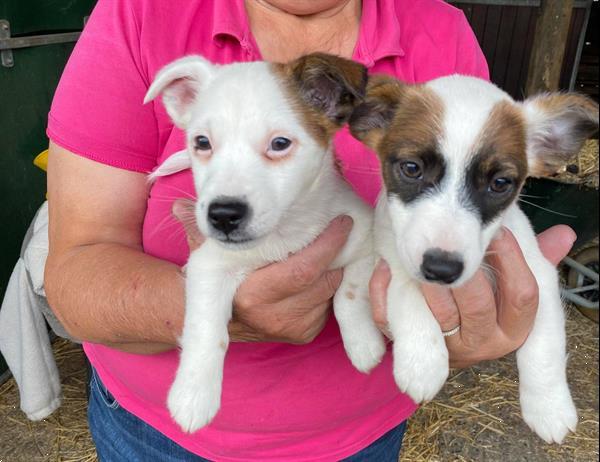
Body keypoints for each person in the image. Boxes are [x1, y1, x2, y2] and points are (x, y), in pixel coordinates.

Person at [44, 0, 576, 460]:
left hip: (365, 435)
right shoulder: (143, 15)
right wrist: (225, 315)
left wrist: (462, 333)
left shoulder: (441, 31)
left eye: (279, 145)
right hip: (156, 435)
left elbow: (381, 254)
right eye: (203, 145)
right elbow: (73, 277)